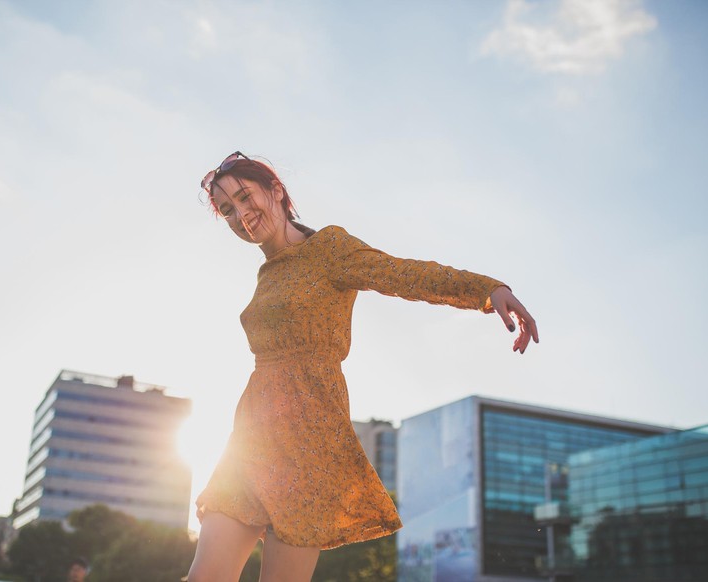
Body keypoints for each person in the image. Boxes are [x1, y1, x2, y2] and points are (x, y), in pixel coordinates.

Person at [187, 152, 539, 582]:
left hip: (308, 445)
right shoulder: (267, 274)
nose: (241, 214)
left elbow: (402, 274)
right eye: (227, 210)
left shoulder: (330, 249)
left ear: (276, 190)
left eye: (245, 197)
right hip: (250, 441)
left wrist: (486, 289)